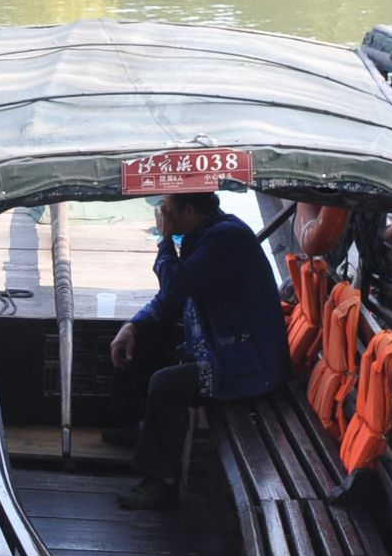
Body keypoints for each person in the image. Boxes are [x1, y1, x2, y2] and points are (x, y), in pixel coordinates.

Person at [106, 191, 290, 510]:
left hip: (243, 368)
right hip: (219, 348)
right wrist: (133, 325)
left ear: (189, 211)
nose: (161, 215)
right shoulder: (202, 233)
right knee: (141, 341)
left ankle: (162, 481)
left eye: (166, 210)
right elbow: (173, 298)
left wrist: (164, 241)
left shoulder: (226, 239)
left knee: (166, 385)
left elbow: (175, 284)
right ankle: (142, 428)